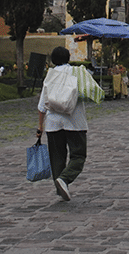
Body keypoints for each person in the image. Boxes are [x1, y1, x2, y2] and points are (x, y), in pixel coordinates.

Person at [37, 46, 87, 202]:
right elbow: (89, 91)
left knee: (57, 157)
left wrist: (40, 127)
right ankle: (65, 179)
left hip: (53, 123)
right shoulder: (78, 72)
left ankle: (60, 186)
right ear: (68, 58)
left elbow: (41, 106)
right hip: (74, 121)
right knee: (78, 155)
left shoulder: (50, 76)